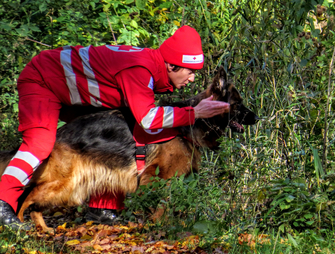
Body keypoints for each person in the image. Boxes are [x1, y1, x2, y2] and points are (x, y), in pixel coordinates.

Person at [0, 26, 229, 229]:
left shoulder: (152, 67)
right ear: (171, 65)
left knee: (109, 141)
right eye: (190, 72)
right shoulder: (141, 69)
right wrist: (195, 112)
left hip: (76, 93)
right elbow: (148, 119)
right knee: (39, 144)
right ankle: (3, 203)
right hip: (42, 79)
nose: (192, 79)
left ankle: (102, 210)